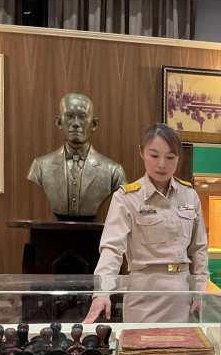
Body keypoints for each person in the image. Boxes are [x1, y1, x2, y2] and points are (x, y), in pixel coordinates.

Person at [84, 123, 209, 324]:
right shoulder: (126, 198)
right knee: (141, 343)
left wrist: (202, 290)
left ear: (179, 157)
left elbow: (199, 248)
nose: (162, 164)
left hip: (182, 294)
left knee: (180, 344)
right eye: (154, 155)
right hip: (144, 295)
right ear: (142, 152)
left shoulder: (189, 195)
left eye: (170, 157)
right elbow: (112, 248)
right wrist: (102, 291)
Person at [27, 93, 127, 220]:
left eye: (82, 117)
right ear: (59, 122)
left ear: (94, 124)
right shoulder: (39, 168)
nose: (75, 123)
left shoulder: (114, 172)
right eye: (69, 116)